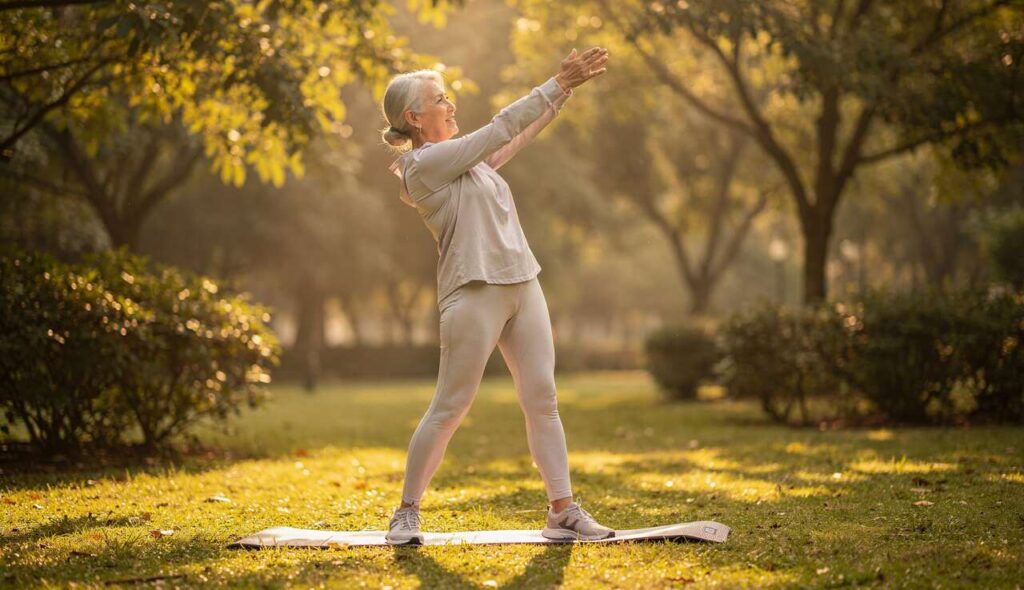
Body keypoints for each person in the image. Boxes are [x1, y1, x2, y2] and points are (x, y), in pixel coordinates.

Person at [379, 47, 611, 545]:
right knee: (451, 406)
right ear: (413, 118)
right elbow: (501, 128)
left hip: (523, 286)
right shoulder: (423, 166)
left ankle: (562, 510)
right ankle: (406, 512)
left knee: (542, 399)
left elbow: (518, 132)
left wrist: (563, 91)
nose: (452, 105)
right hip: (473, 294)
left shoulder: (471, 164)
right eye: (440, 99)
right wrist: (553, 81)